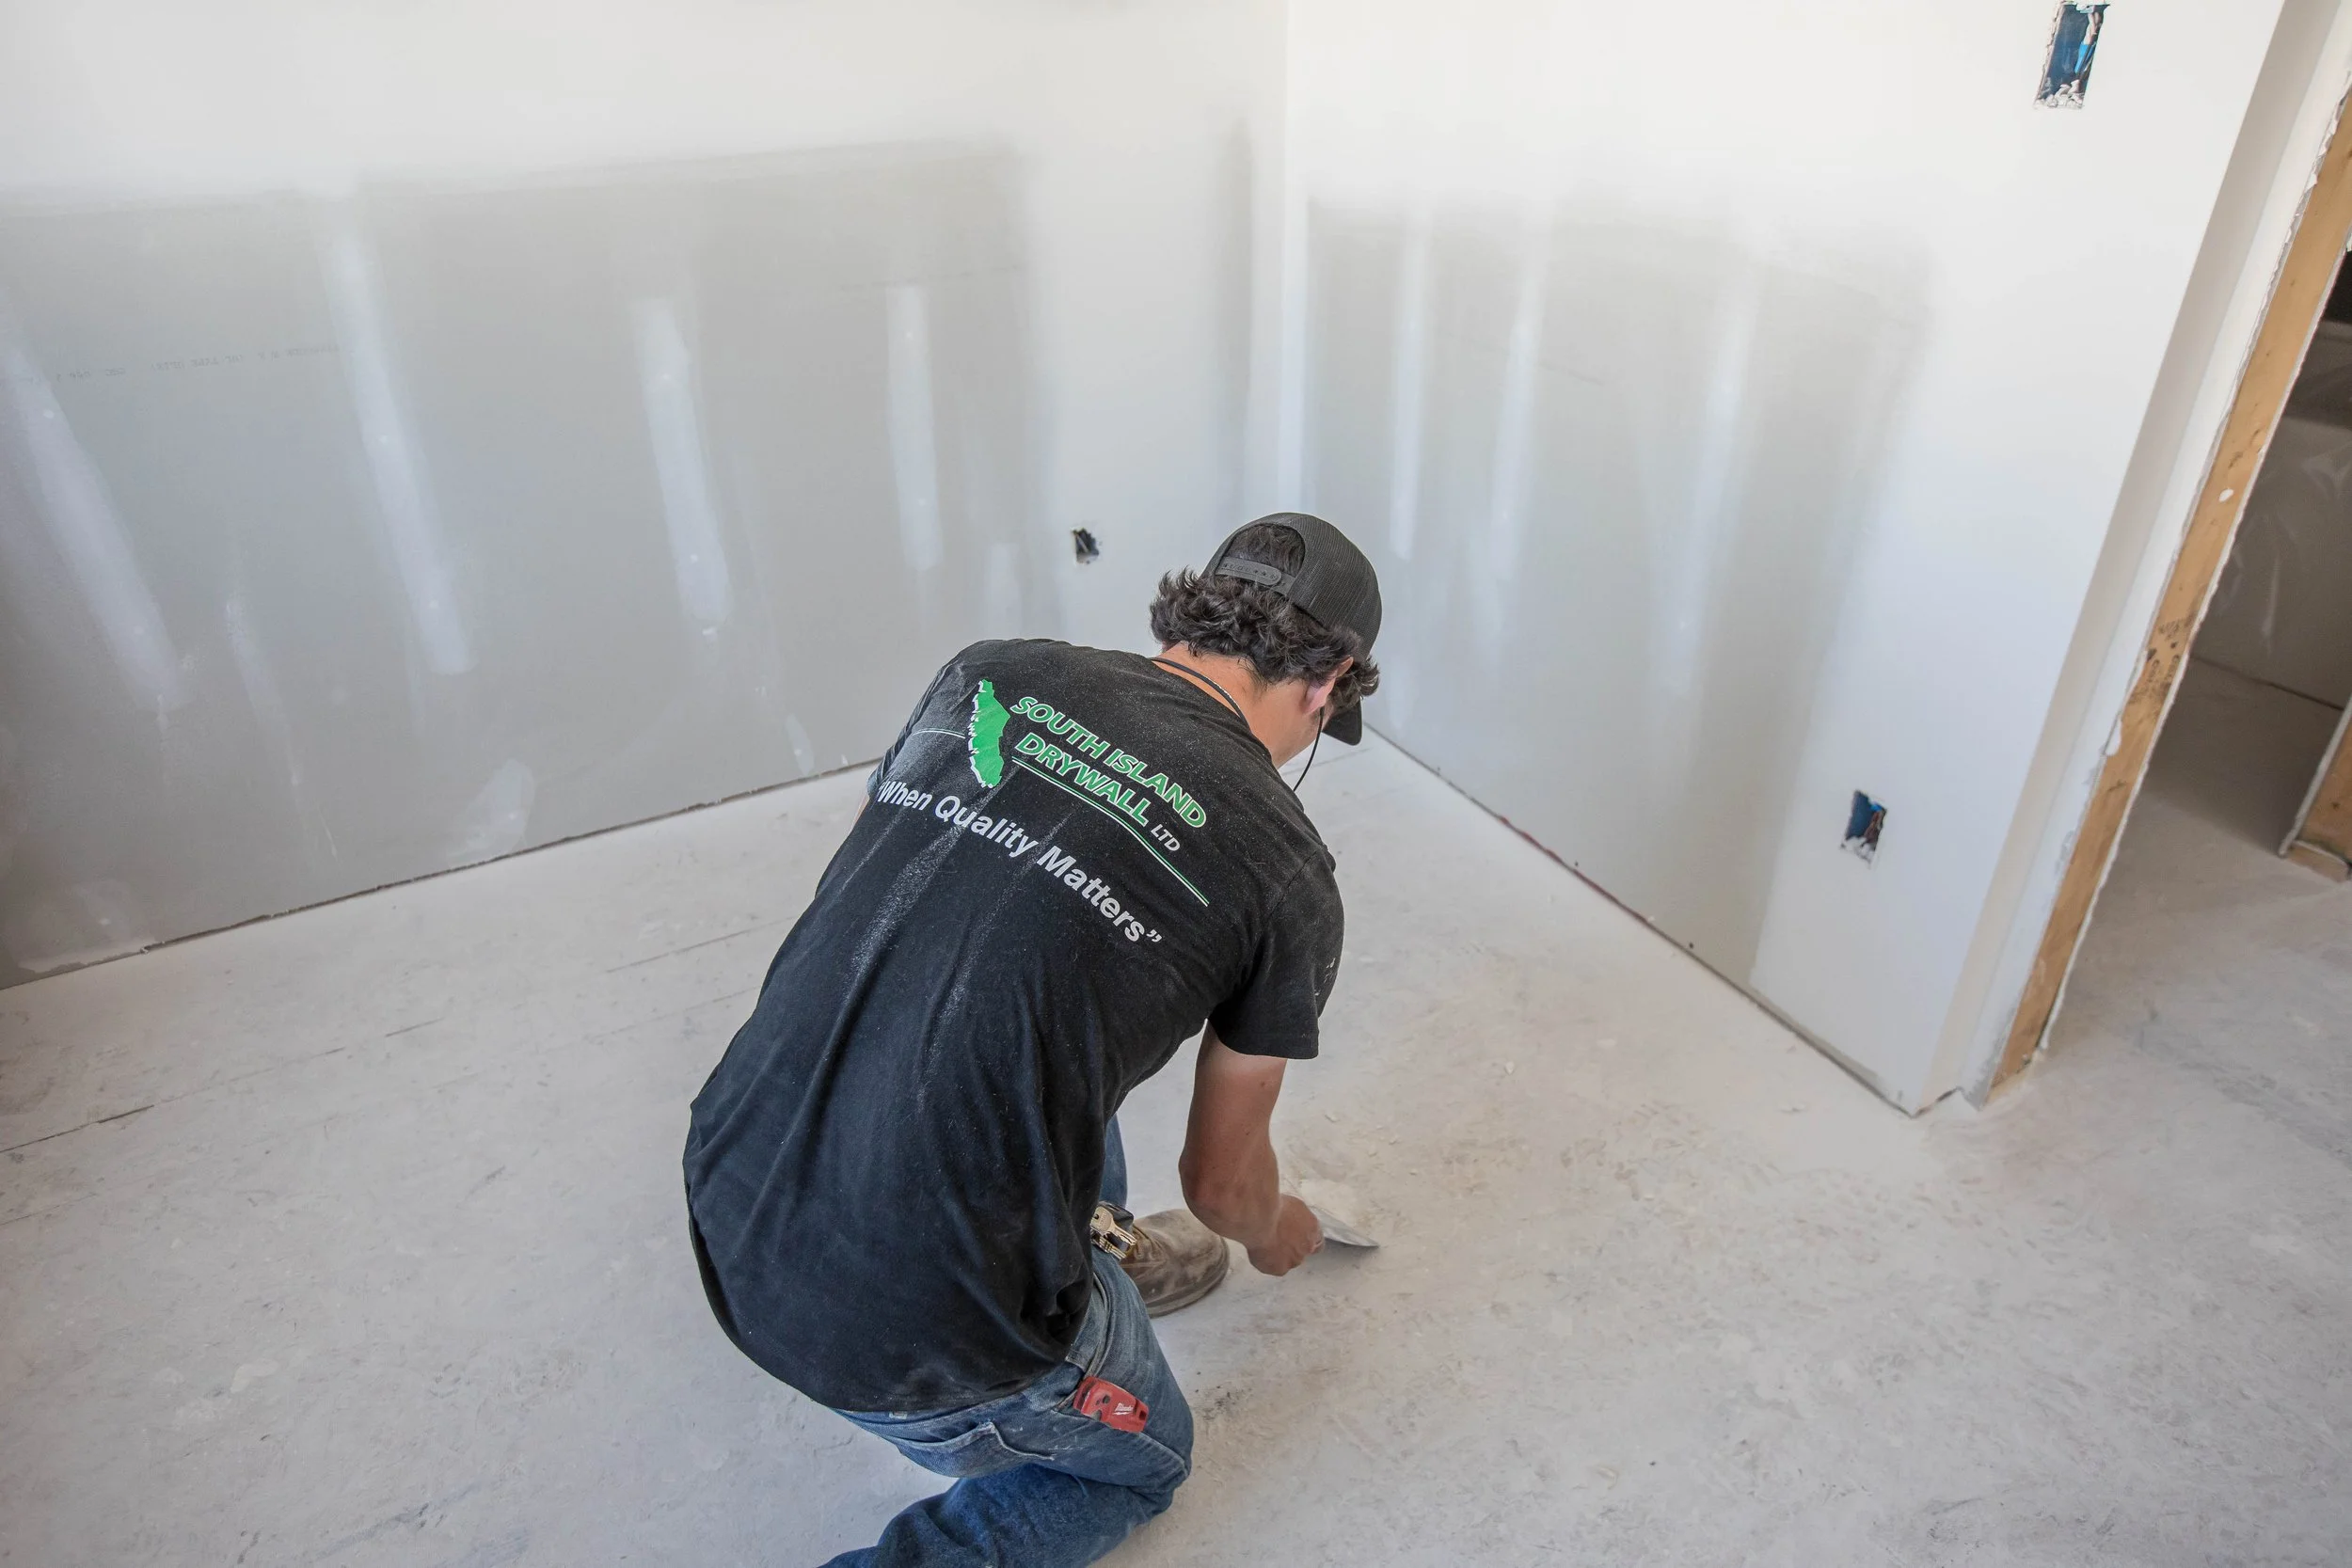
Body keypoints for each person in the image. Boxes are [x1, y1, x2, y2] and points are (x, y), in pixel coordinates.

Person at [682, 513, 1382, 1567]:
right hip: (920, 1333)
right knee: (1146, 1461)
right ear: (1325, 684)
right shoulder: (1283, 866)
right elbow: (1220, 1186)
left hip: (731, 1185)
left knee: (1028, 975)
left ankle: (1093, 1239)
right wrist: (1280, 1233)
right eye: (1322, 722)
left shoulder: (987, 672)